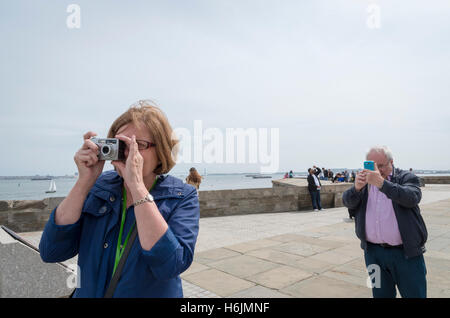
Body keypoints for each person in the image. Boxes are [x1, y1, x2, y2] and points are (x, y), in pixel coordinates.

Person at [39, 100, 200, 298]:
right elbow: (51, 251)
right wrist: (84, 182)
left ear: (161, 152)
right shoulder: (98, 187)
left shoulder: (182, 197)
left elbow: (170, 266)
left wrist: (137, 187)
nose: (128, 153)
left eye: (138, 145)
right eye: (122, 144)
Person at [342, 146, 427, 298]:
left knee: (415, 294)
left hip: (406, 254)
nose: (377, 170)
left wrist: (382, 183)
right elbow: (348, 202)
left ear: (391, 162)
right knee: (380, 294)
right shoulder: (364, 182)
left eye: (380, 165)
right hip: (373, 254)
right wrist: (356, 188)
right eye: (372, 166)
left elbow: (412, 197)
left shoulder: (405, 177)